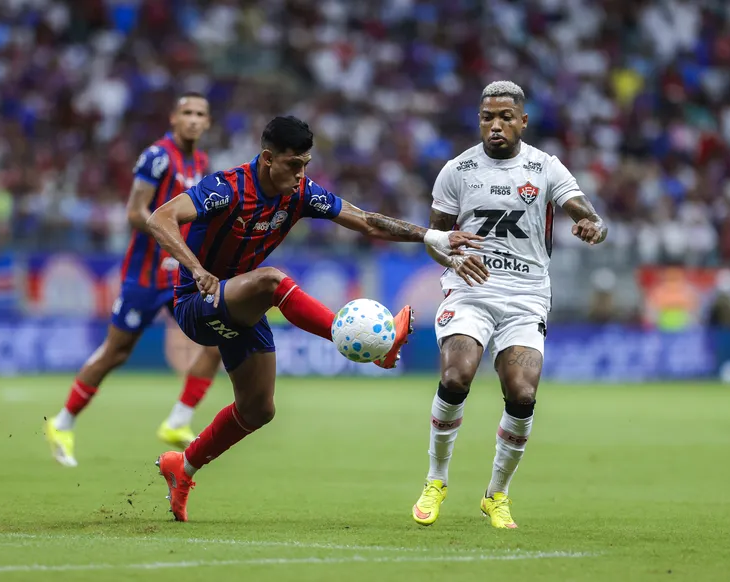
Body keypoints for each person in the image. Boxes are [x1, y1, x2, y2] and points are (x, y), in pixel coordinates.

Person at [148, 115, 483, 521]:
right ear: (268, 158)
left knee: (259, 410)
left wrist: (430, 236)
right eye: (294, 164)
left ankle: (181, 467)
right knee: (272, 282)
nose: (302, 173)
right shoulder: (226, 188)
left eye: (306, 163)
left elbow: (363, 220)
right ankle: (367, 349)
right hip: (196, 302)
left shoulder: (301, 193)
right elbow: (159, 218)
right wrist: (196, 269)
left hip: (239, 304)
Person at [411, 81, 608, 529]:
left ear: (522, 121)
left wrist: (593, 226)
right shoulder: (457, 171)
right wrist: (451, 258)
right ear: (479, 120)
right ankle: (436, 479)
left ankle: (496, 494)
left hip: (526, 296)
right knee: (456, 374)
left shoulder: (545, 167)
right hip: (471, 290)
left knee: (522, 392)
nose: (495, 125)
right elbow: (435, 238)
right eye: (487, 117)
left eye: (504, 117)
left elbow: (583, 210)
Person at [44, 92, 223, 467]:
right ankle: (62, 423)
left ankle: (178, 420)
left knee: (215, 341)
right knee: (115, 352)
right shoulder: (157, 157)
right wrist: (173, 237)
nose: (193, 119)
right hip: (144, 277)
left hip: (180, 275)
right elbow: (135, 212)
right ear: (173, 118)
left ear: (207, 123)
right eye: (186, 112)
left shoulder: (202, 161)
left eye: (200, 114)